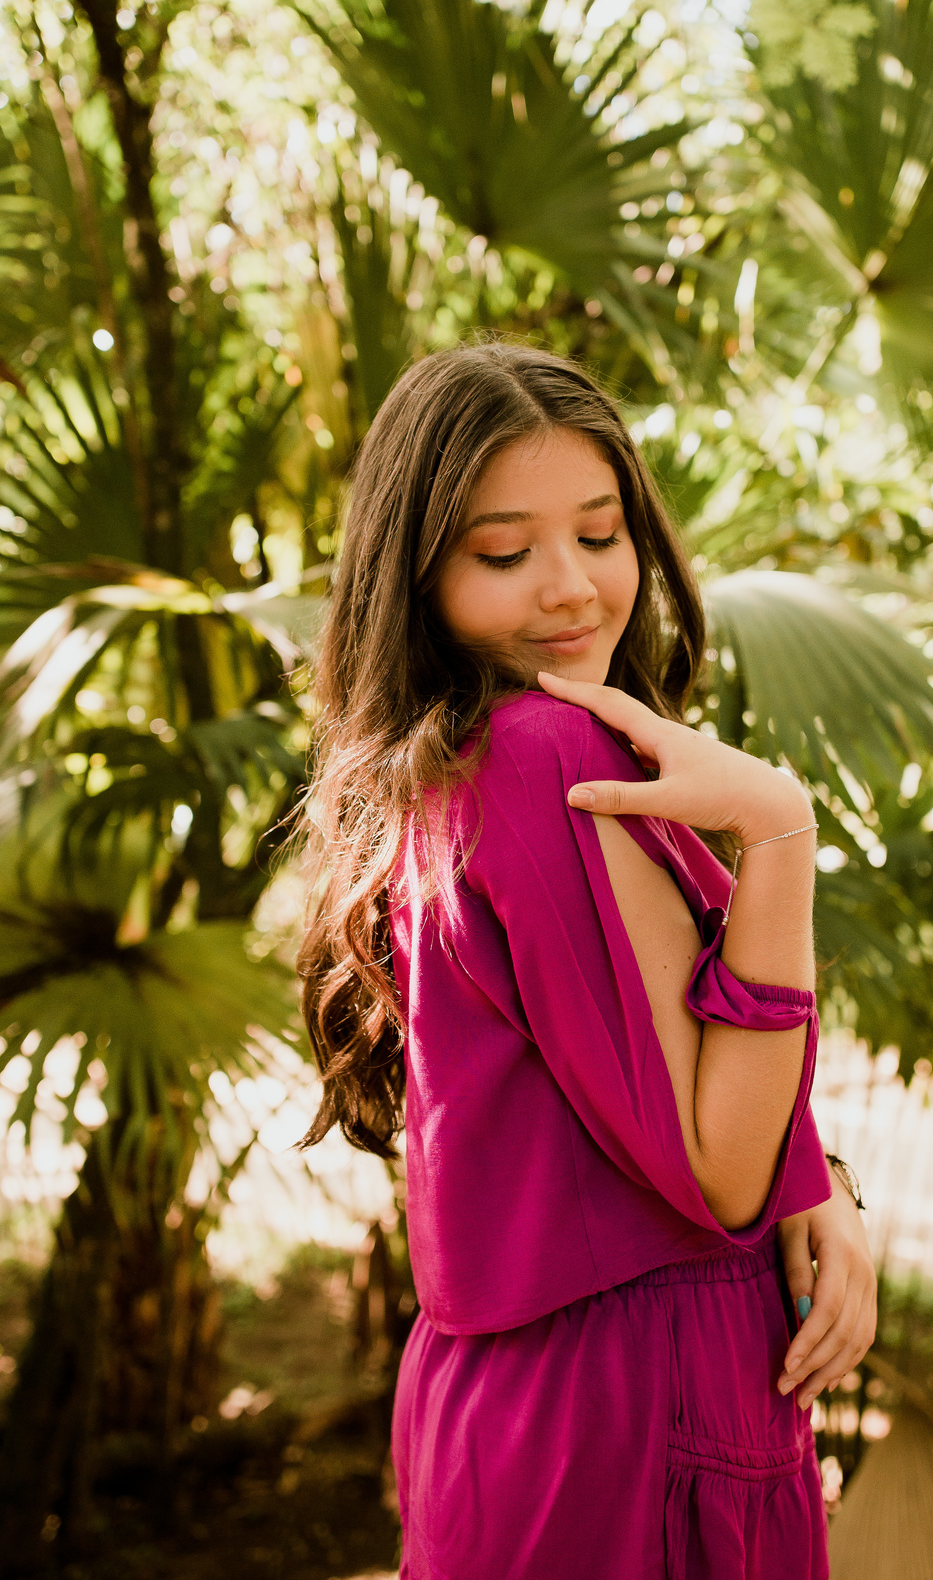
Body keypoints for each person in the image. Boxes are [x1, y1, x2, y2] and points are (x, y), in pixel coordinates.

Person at [298, 341, 877, 1580]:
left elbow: (627, 1088)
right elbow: (721, 1170)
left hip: (521, 1407)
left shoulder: (446, 767)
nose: (570, 589)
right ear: (418, 578)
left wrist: (819, 1182)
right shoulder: (541, 759)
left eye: (601, 534)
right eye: (503, 553)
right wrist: (781, 832)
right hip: (626, 1412)